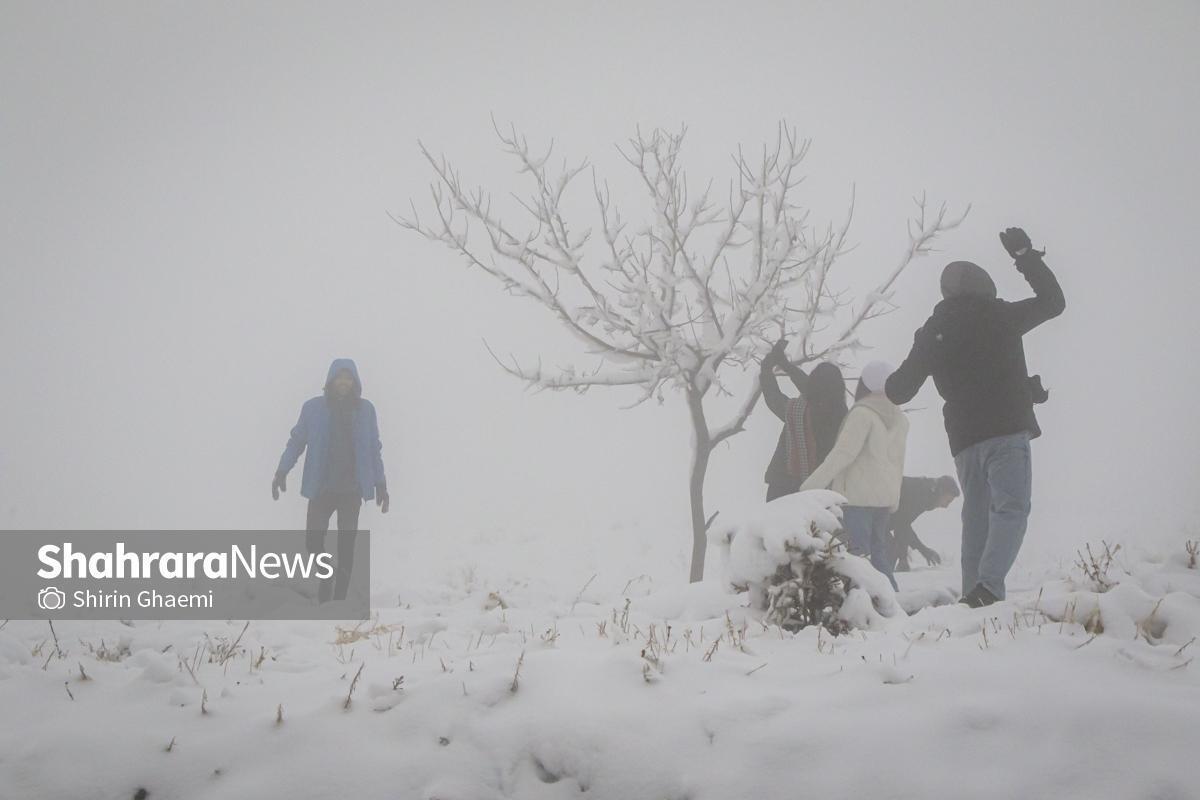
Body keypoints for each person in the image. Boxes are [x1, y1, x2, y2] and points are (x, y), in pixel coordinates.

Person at [885, 227, 1065, 607]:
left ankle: (975, 597)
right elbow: (1053, 302)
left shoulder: (934, 331)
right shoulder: (999, 315)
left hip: (965, 440)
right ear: (986, 287)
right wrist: (1025, 256)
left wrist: (893, 374)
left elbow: (900, 390)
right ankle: (987, 589)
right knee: (1011, 508)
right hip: (1006, 431)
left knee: (977, 517)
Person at [273, 358, 389, 602]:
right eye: (340, 377)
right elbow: (297, 442)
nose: (344, 382)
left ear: (355, 381)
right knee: (313, 543)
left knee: (346, 548)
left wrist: (381, 484)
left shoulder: (365, 410)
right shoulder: (312, 408)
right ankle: (327, 578)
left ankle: (338, 602)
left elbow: (373, 449)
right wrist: (282, 471)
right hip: (321, 488)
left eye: (348, 378)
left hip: (351, 490)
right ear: (331, 380)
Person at [800, 361, 908, 591]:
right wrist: (895, 499)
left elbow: (843, 454)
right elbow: (899, 461)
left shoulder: (862, 414)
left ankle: (866, 605)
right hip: (885, 497)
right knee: (879, 554)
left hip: (857, 498)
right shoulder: (899, 418)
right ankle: (892, 599)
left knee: (858, 557)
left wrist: (809, 487)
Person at [759, 339, 848, 502]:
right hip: (820, 491)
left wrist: (766, 370)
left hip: (782, 486)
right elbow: (815, 389)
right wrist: (786, 365)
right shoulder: (842, 414)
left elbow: (774, 399)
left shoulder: (798, 412)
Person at [888, 475, 960, 572]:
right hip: (873, 514)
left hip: (879, 516)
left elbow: (903, 524)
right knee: (889, 549)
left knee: (890, 549)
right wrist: (904, 558)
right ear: (941, 491)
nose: (946, 506)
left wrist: (922, 550)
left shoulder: (924, 491)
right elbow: (902, 525)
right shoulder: (921, 493)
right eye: (947, 501)